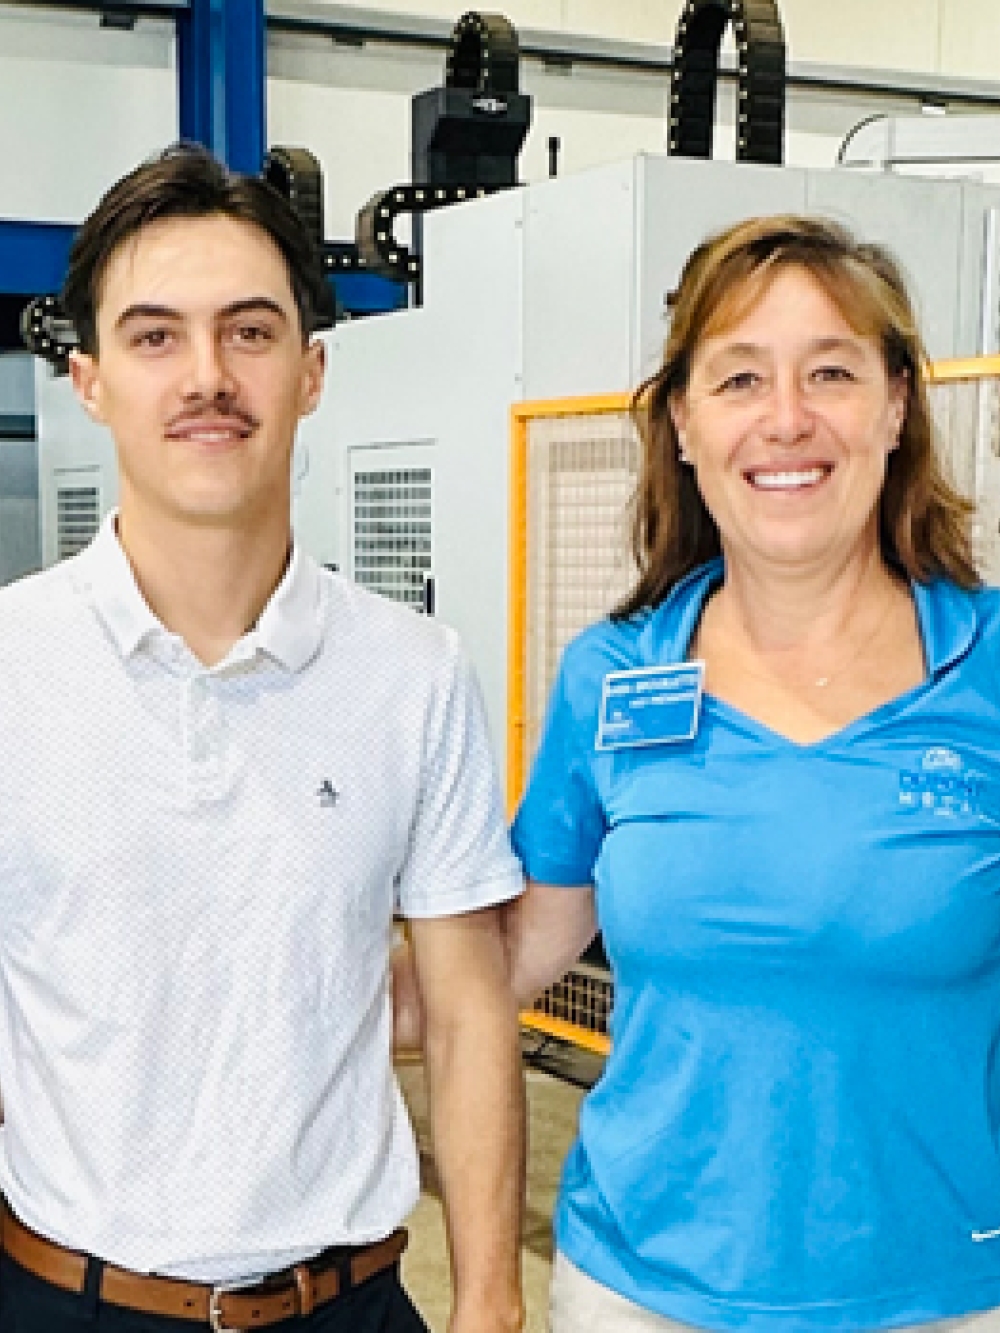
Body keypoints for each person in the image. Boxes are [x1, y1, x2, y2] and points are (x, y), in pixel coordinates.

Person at [0, 143, 526, 1333]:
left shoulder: (413, 673)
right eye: (153, 336)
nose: (206, 375)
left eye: (249, 331)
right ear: (88, 380)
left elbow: (466, 1008)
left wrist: (492, 1297)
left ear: (310, 371)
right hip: (63, 1298)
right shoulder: (12, 665)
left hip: (345, 1301)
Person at [506, 215, 1000, 1331]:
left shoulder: (988, 669)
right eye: (739, 377)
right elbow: (511, 958)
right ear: (683, 422)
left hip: (948, 1293)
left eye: (830, 370)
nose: (786, 418)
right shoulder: (611, 676)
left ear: (894, 405)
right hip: (641, 1292)